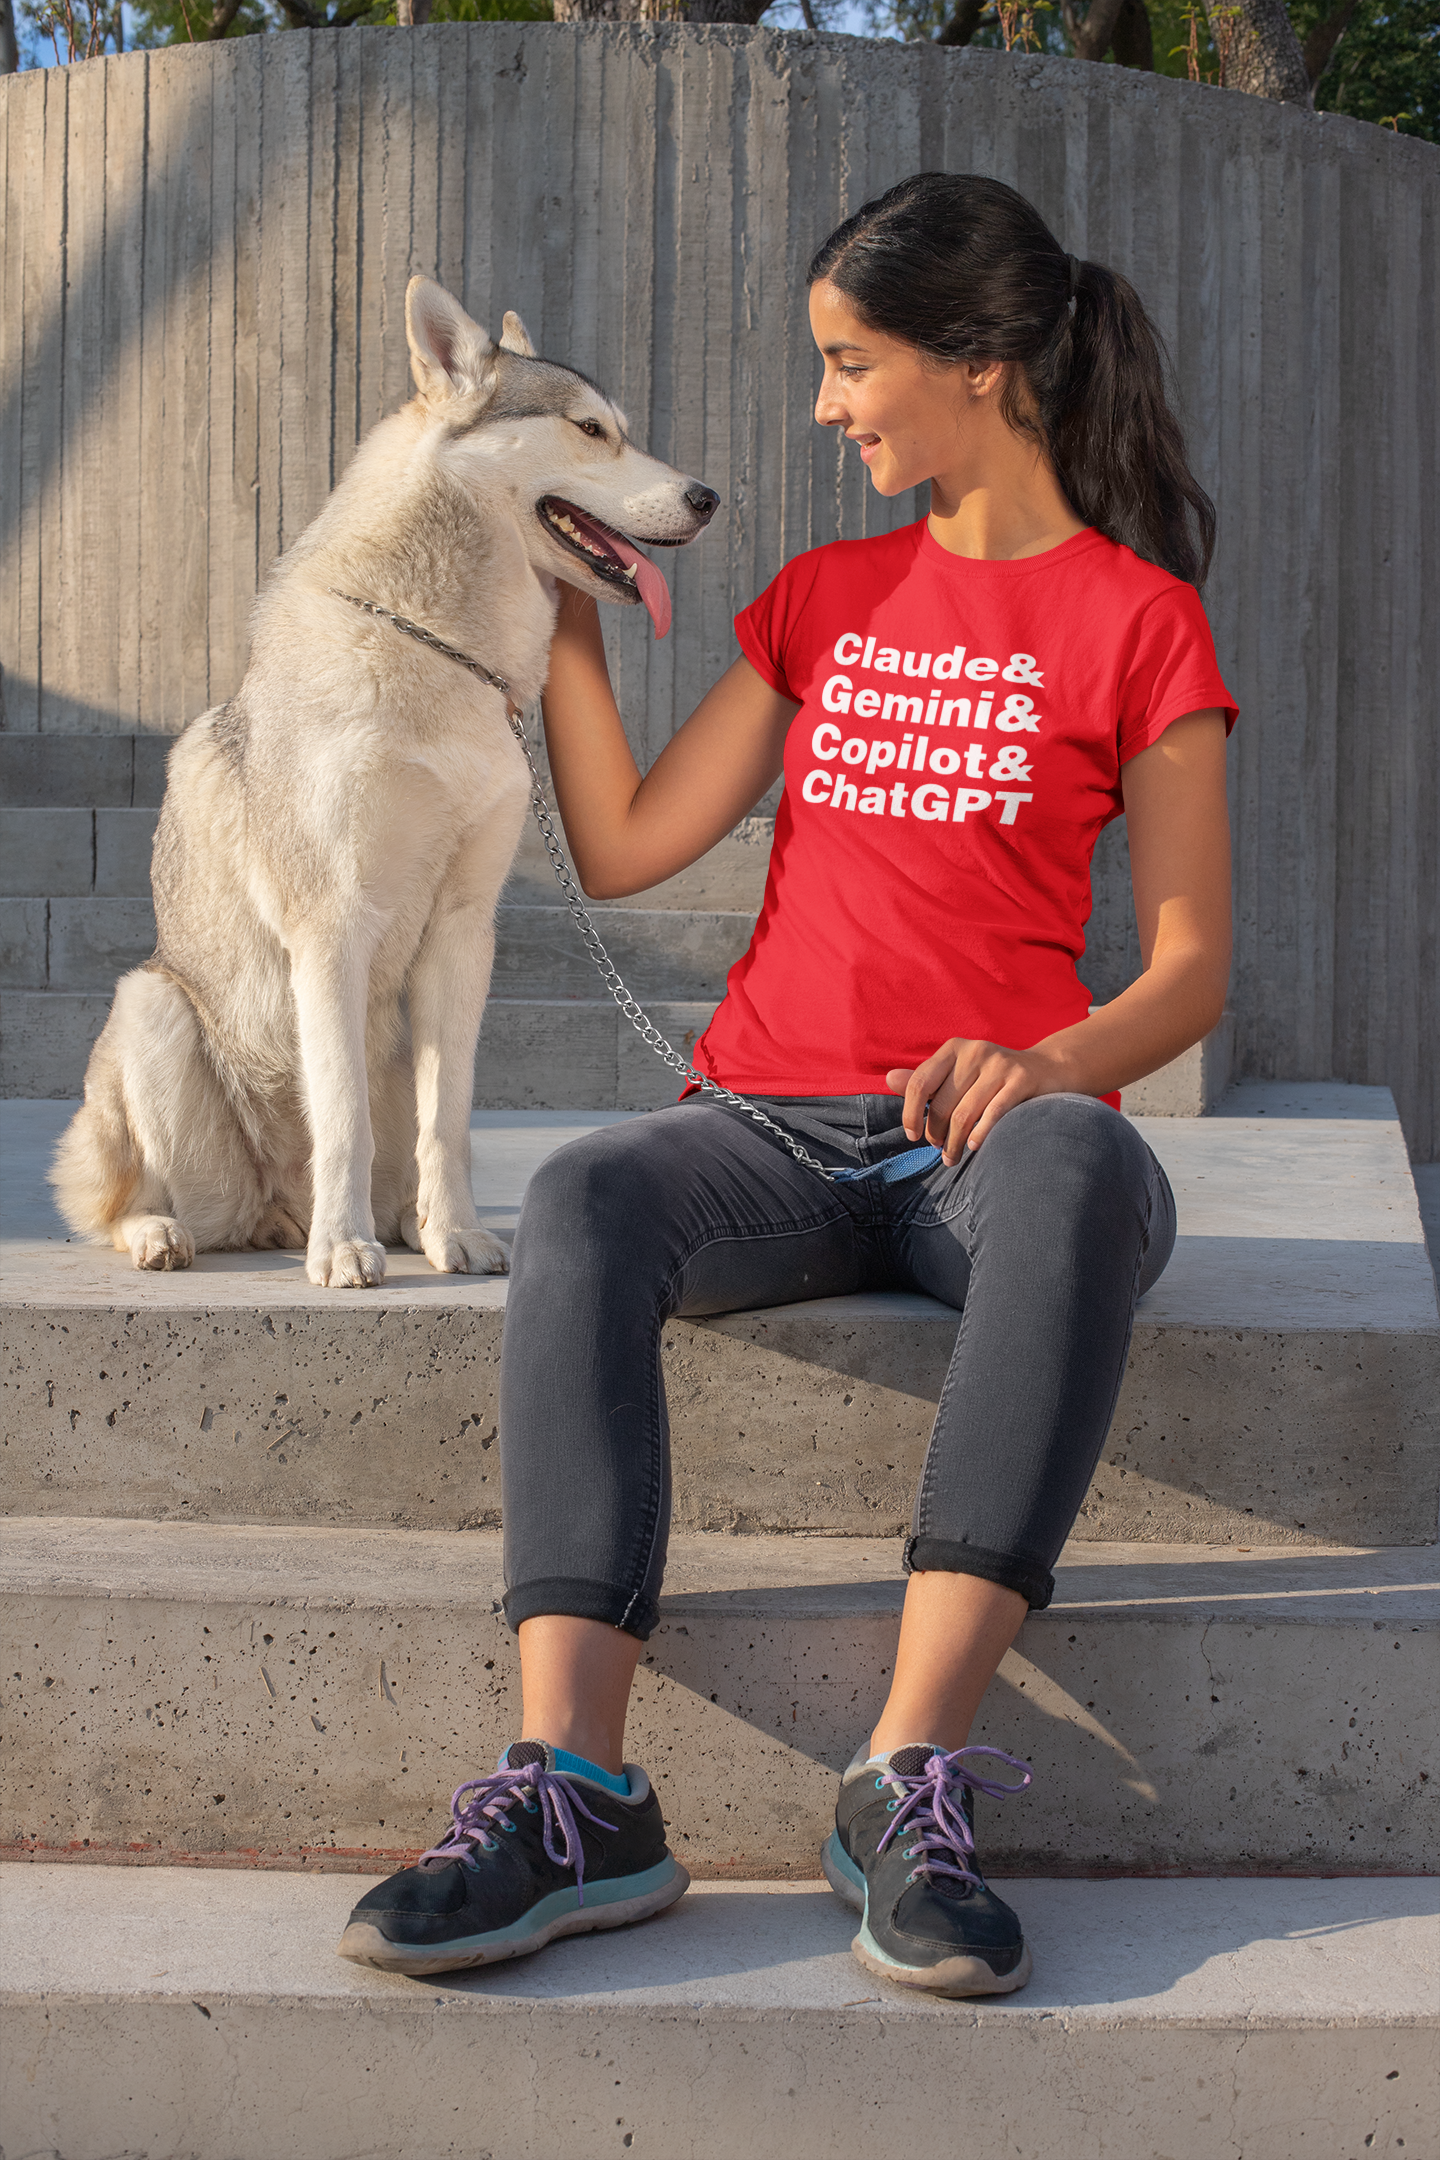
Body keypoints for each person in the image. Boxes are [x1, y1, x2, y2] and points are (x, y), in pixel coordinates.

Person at [338, 171, 1236, 1998]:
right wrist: (570, 595)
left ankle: (902, 1782)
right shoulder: (823, 600)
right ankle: (577, 1791)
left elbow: (1195, 963)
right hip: (764, 1131)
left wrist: (1048, 1064)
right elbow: (626, 842)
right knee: (589, 1189)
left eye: (849, 364)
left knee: (1073, 1176)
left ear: (979, 366)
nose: (823, 406)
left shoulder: (1138, 624)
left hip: (992, 1141)